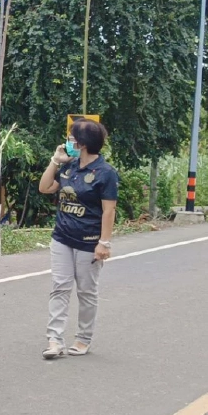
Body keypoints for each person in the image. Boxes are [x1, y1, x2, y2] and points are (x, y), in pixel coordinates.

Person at [38, 119, 118, 359]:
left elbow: (109, 210)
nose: (68, 141)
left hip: (89, 240)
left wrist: (104, 242)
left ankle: (83, 338)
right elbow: (44, 187)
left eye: (72, 139)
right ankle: (55, 339)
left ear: (82, 144)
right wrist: (55, 161)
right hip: (62, 237)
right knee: (59, 287)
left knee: (86, 291)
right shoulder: (68, 167)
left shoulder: (106, 173)